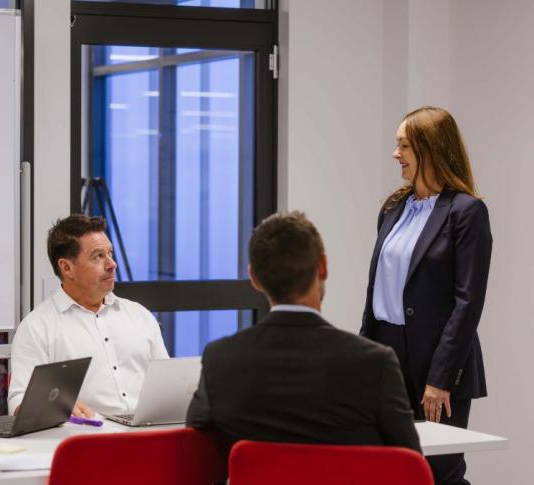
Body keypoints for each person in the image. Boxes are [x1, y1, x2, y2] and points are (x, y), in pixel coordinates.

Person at [187, 211, 420, 452]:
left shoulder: (220, 361)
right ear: (323, 267)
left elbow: (193, 447)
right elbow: (411, 468)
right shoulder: (375, 364)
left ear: (254, 278)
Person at [361, 106, 491, 485]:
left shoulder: (467, 212)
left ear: (430, 149)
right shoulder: (393, 208)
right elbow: (376, 292)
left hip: (438, 360)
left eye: (404, 145)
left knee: (439, 473)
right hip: (386, 355)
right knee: (389, 468)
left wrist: (441, 377)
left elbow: (469, 303)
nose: (395, 153)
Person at [8, 214, 169, 417]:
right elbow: (18, 401)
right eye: (98, 256)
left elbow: (167, 383)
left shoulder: (139, 315)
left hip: (149, 435)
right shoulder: (37, 327)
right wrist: (55, 406)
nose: (112, 264)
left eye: (110, 253)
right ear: (67, 268)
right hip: (88, 439)